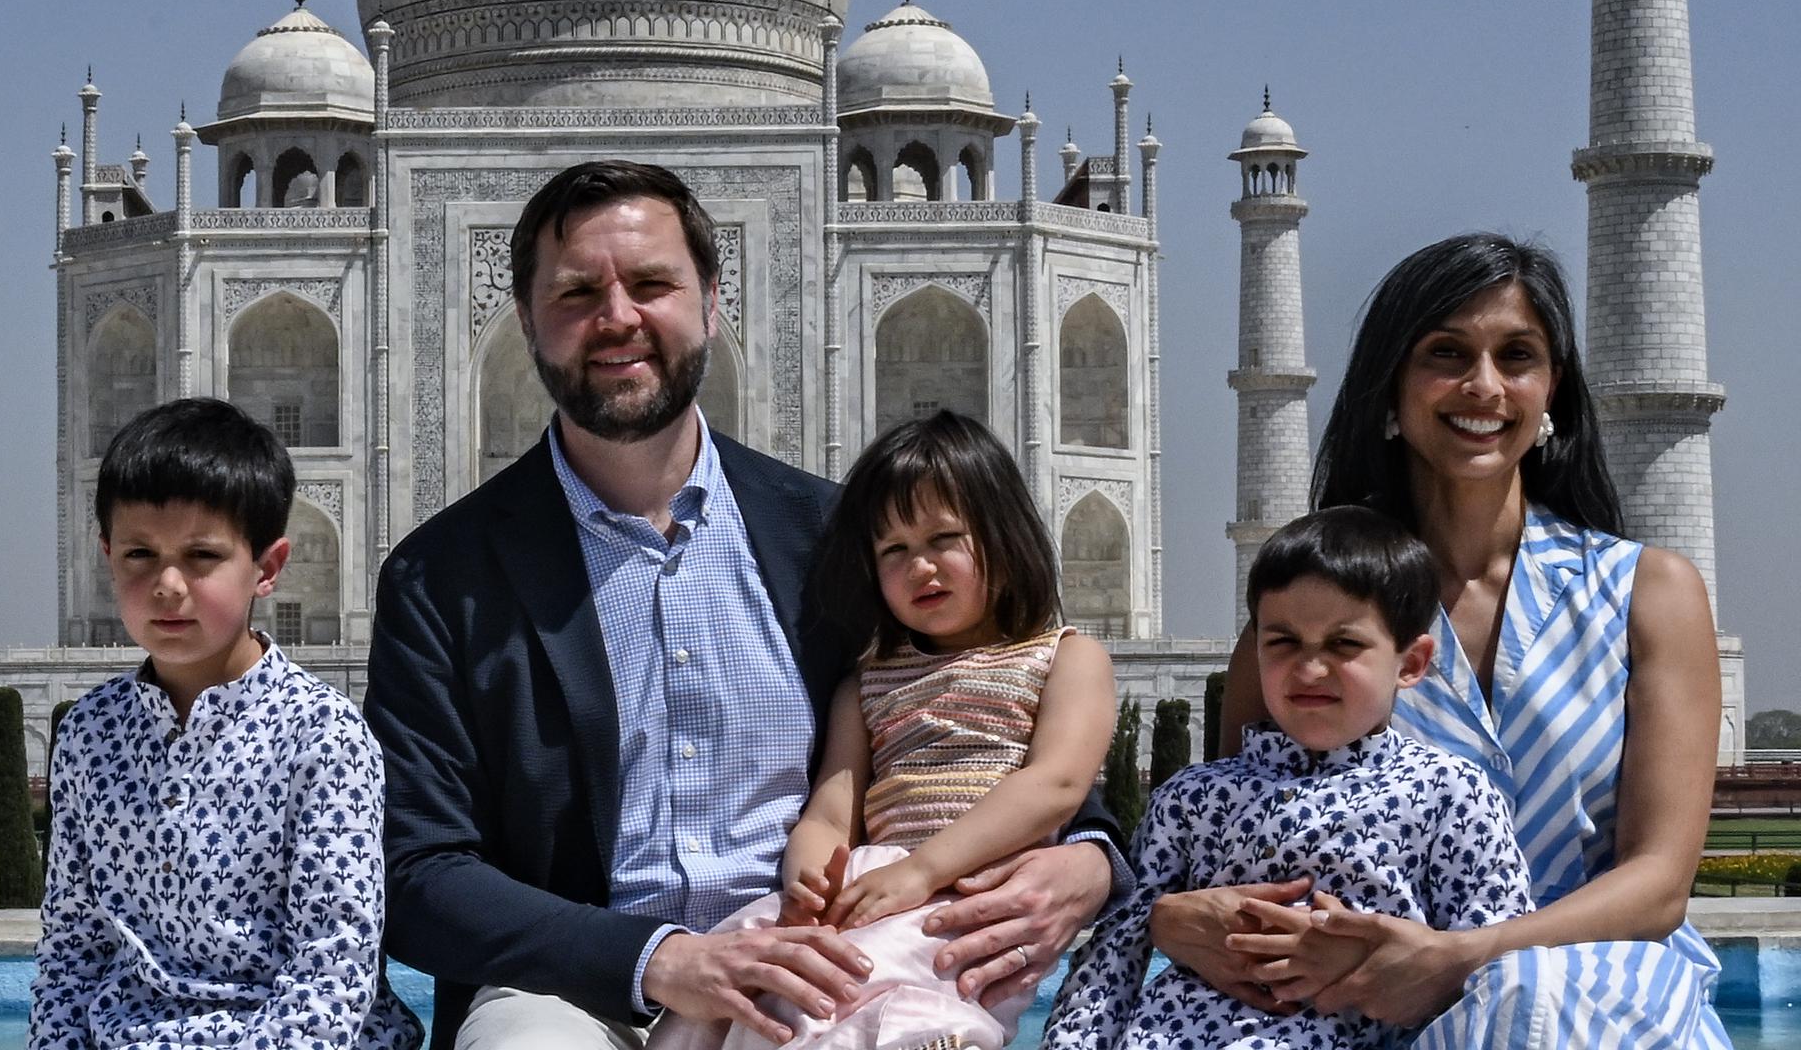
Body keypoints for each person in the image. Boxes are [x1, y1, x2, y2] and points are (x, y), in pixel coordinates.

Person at [366, 160, 1128, 1050]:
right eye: (577, 293)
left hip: (825, 959)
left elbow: (977, 699)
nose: (619, 318)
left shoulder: (831, 535)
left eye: (653, 284)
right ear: (527, 321)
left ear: (714, 300)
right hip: (577, 983)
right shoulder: (445, 575)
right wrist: (661, 958)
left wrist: (1092, 859)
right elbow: (417, 872)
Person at [1149, 234, 1727, 1048]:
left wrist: (1464, 956)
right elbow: (1248, 834)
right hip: (1359, 1011)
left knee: (1533, 996)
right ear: (1391, 387)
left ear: (1551, 386)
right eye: (1447, 353)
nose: (1484, 386)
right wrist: (1173, 915)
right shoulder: (1301, 629)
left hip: (1609, 995)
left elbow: (1659, 883)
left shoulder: (1645, 596)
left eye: (1516, 355)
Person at [650, 410, 1118, 1050]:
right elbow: (829, 813)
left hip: (966, 898)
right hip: (873, 885)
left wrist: (925, 871)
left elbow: (1056, 784)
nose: (919, 566)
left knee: (860, 997)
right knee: (744, 970)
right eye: (893, 550)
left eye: (942, 539)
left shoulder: (1065, 657)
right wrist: (809, 882)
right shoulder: (867, 684)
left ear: (1005, 541)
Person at [1042, 508, 1534, 1050]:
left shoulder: (1449, 793)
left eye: (1343, 645)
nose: (1310, 670)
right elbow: (1112, 958)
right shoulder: (1194, 797)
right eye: (1284, 643)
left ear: (1411, 662)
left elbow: (1495, 963)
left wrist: (1368, 960)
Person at [32, 397, 421, 1050]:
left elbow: (332, 960)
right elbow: (73, 945)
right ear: (106, 555)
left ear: (265, 569)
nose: (167, 583)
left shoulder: (321, 737)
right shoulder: (89, 735)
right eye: (140, 555)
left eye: (202, 556)